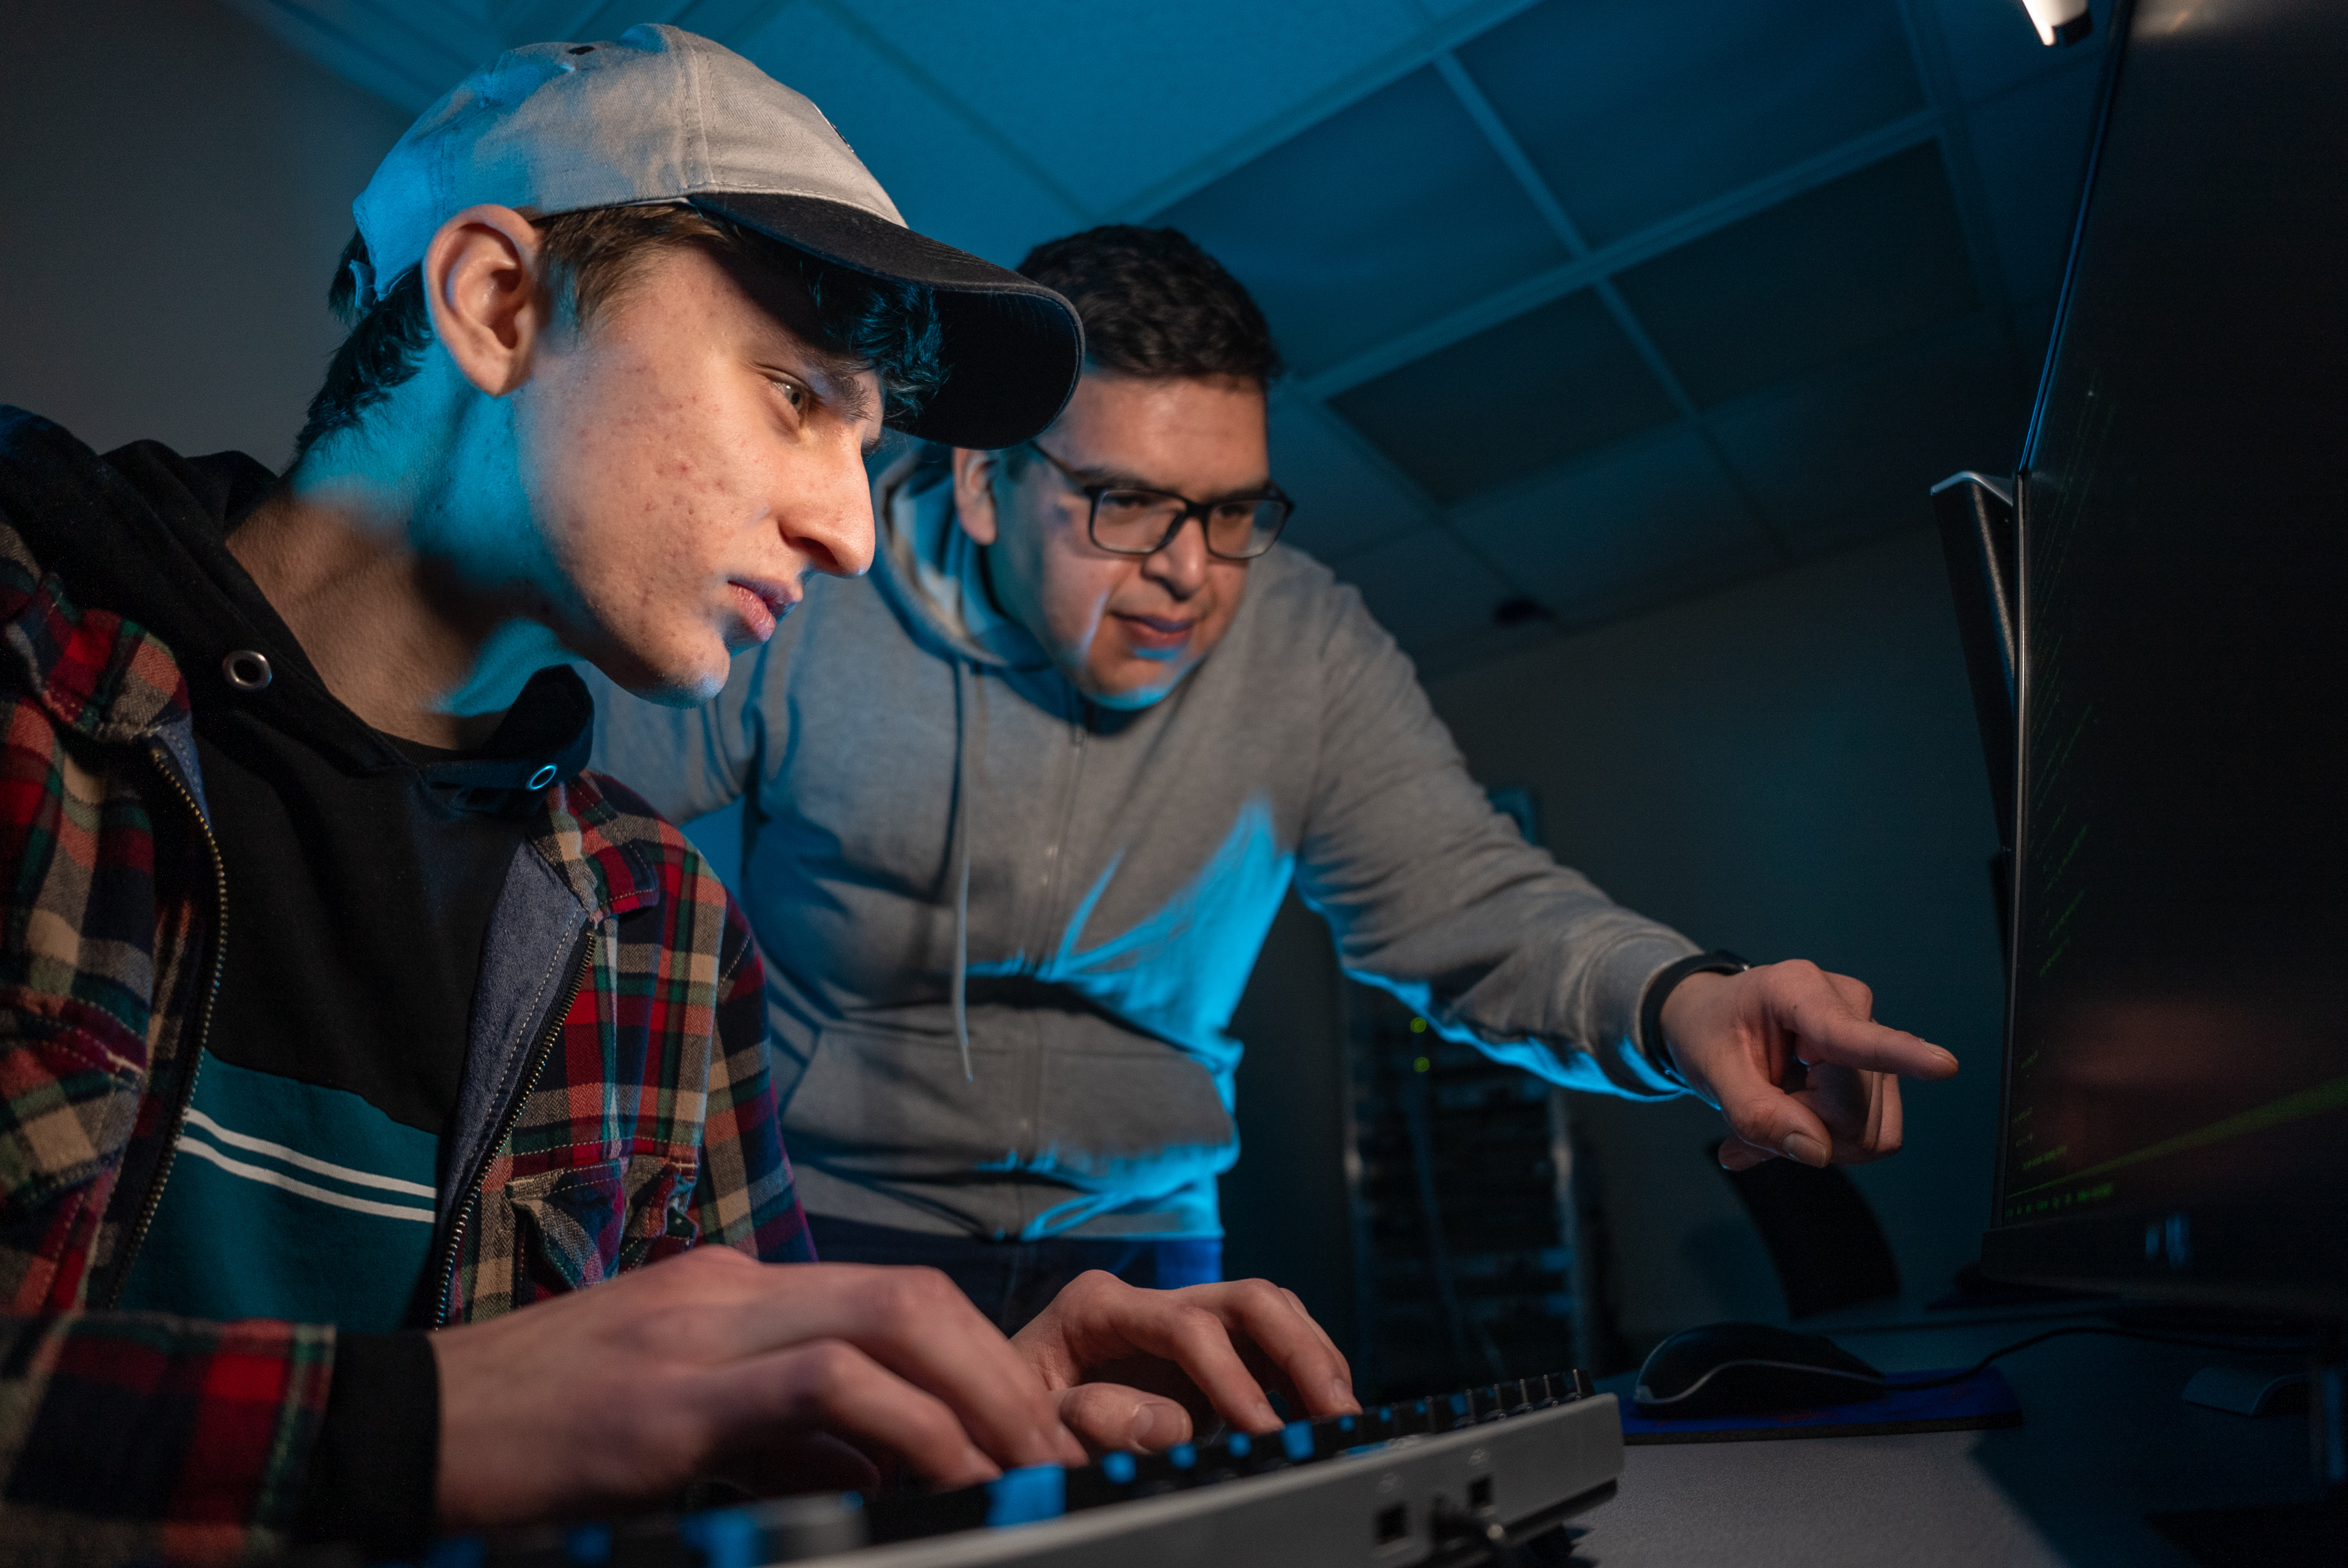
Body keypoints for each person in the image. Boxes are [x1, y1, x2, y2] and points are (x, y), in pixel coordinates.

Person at [0, 30, 1353, 1566]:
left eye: (871, 439)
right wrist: (413, 1429)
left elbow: (725, 1466)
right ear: (499, 304)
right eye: (799, 396)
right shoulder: (25, 693)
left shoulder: (661, 927)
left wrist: (929, 1433)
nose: (851, 529)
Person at [589, 225, 1963, 1327]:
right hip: (835, 1230)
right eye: (1124, 503)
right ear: (981, 485)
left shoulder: (1304, 641)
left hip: (1148, 1245)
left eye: (1232, 510)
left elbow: (1466, 900)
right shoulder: (815, 591)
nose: (1189, 571)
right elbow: (579, 829)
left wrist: (1680, 999)